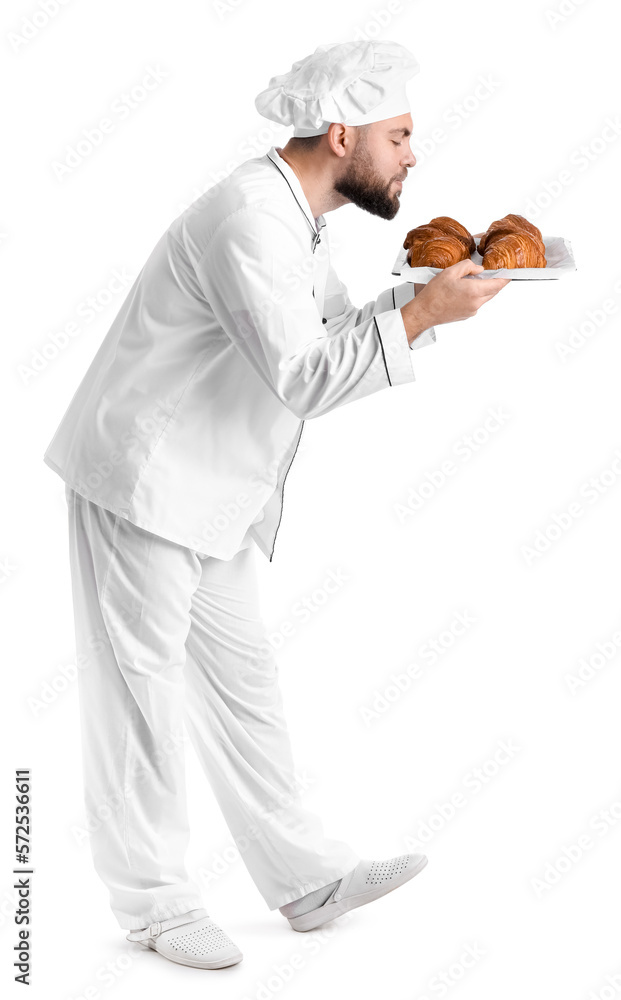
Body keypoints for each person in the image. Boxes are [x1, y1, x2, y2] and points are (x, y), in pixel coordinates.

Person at [43, 39, 511, 971]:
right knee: (137, 695)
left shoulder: (297, 215)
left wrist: (418, 296)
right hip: (145, 482)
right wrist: (421, 319)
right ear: (343, 134)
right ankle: (153, 901)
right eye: (401, 134)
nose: (415, 153)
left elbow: (329, 329)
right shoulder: (252, 219)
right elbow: (303, 377)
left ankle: (302, 876)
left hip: (209, 489)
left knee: (245, 689)